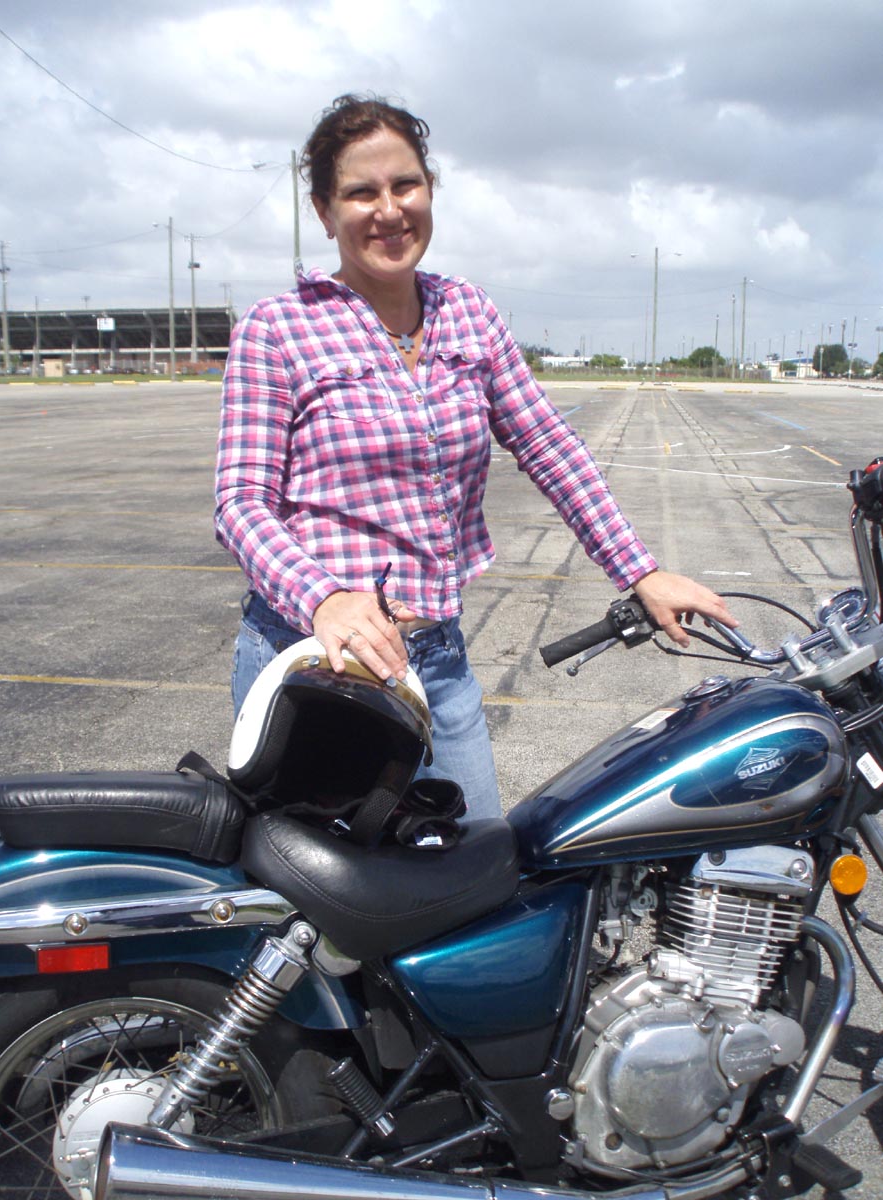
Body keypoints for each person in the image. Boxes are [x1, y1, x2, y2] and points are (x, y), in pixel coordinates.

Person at [215, 93, 736, 820]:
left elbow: (549, 445)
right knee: (316, 882)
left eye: (405, 185)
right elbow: (240, 503)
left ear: (430, 189)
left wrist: (640, 571)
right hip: (317, 666)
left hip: (437, 663)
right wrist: (325, 598)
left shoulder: (469, 313)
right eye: (361, 193)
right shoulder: (277, 329)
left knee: (478, 866)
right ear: (324, 212)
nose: (389, 210)